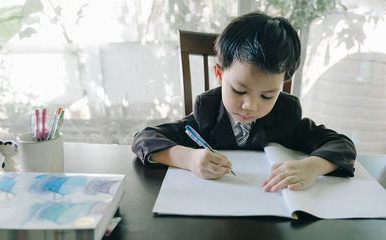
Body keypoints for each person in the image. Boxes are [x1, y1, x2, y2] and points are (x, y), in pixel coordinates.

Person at [132, 11, 356, 192]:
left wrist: (312, 167)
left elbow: (342, 145)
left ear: (282, 86)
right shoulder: (208, 111)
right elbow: (145, 139)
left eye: (268, 95)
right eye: (239, 90)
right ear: (220, 75)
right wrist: (188, 158)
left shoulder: (286, 114)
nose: (251, 105)